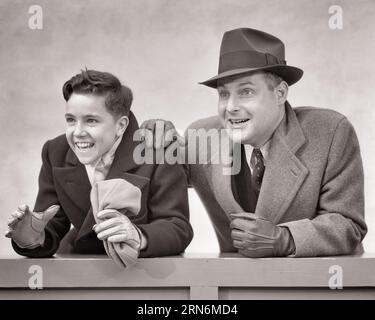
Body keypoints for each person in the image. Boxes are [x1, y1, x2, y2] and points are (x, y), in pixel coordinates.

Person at [141, 28, 367, 257]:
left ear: (280, 93)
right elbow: (161, 182)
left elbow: (348, 223)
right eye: (223, 94)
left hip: (316, 287)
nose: (230, 107)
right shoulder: (203, 135)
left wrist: (285, 239)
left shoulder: (330, 131)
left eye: (246, 91)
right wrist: (157, 139)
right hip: (238, 288)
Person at [5, 70, 193, 265]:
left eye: (91, 121)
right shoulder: (55, 152)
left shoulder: (157, 151)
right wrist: (33, 238)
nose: (77, 133)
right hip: (78, 270)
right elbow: (53, 223)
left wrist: (137, 236)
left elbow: (178, 228)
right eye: (70, 120)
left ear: (121, 126)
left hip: (145, 273)